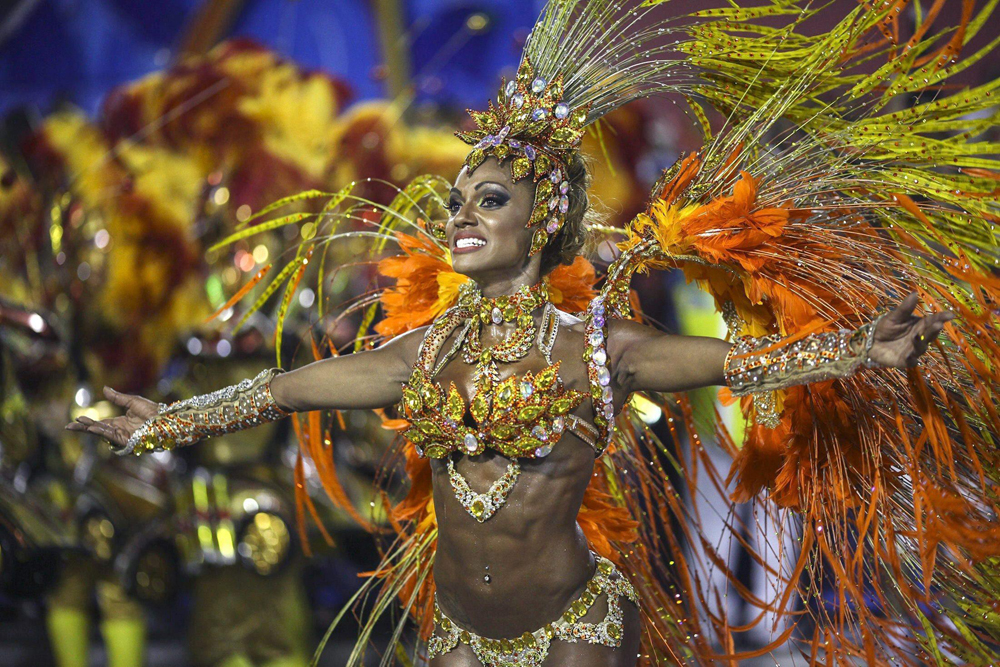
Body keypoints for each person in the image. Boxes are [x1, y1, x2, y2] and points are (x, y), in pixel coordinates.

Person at [68, 0, 1000, 665]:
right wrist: (162, 422)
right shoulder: (421, 353)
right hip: (460, 636)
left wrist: (857, 348)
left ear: (539, 222)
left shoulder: (592, 348)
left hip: (574, 633)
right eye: (455, 202)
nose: (460, 217)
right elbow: (281, 389)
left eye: (489, 200)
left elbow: (746, 360)